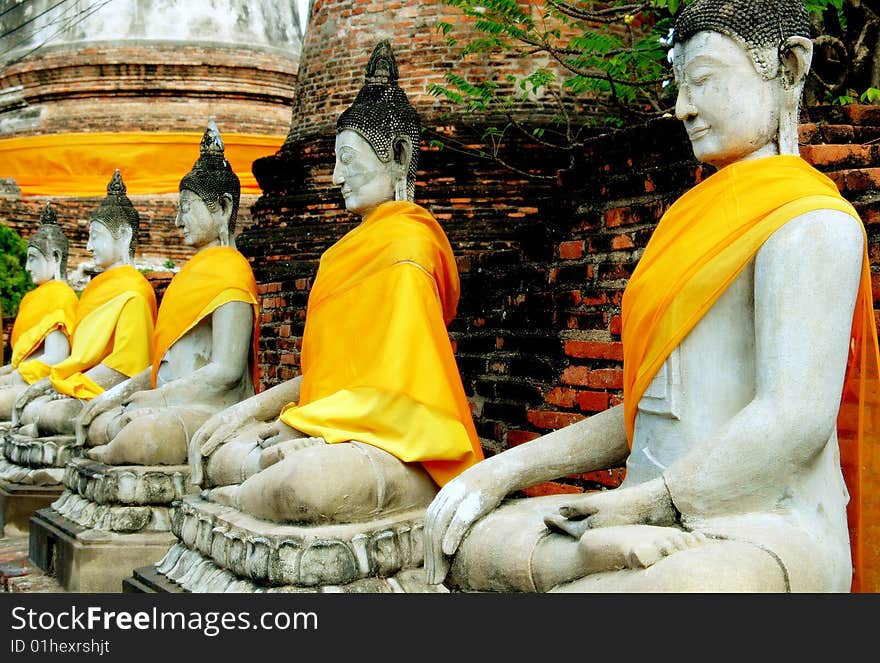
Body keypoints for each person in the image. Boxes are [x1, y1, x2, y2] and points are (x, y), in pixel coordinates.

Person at [423, 0, 879, 593]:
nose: (682, 107)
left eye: (705, 81)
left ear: (788, 67)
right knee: (471, 545)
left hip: (762, 527)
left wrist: (645, 505)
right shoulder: (684, 224)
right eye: (680, 84)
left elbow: (792, 421)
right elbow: (648, 415)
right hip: (645, 509)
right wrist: (503, 470)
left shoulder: (813, 226)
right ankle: (606, 555)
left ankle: (609, 561)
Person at [187, 40, 484, 525]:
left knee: (303, 481)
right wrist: (252, 411)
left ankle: (249, 499)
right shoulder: (339, 256)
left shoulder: (409, 246)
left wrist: (304, 428)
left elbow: (398, 389)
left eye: (347, 158)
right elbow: (335, 378)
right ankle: (258, 486)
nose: (333, 177)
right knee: (230, 452)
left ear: (400, 154)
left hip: (401, 438)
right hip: (334, 425)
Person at [75, 122, 260, 466]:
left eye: (186, 208)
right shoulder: (187, 277)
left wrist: (155, 400)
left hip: (211, 406)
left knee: (138, 437)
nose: (177, 221)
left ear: (222, 207)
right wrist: (121, 394)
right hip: (170, 402)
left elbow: (227, 371)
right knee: (103, 421)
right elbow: (165, 363)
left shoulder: (232, 270)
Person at [11, 170, 157, 438]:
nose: (89, 246)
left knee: (46, 413)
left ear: (123, 235)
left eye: (96, 236)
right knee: (36, 410)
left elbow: (125, 366)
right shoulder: (94, 290)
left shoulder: (135, 291)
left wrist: (64, 386)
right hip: (76, 382)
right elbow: (78, 357)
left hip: (104, 390)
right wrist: (59, 384)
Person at [0, 203, 78, 420]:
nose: (27, 267)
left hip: (36, 383)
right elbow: (18, 361)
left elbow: (56, 358)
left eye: (32, 258)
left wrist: (14, 376)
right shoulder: (31, 299)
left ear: (55, 257)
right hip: (19, 378)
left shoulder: (61, 296)